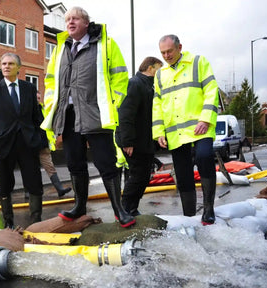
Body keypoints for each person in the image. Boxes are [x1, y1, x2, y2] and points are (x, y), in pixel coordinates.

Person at [41, 6, 135, 228]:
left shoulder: (105, 44)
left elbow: (120, 77)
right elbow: (50, 82)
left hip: (97, 112)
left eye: (74, 19)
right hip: (69, 114)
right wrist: (51, 111)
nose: (70, 23)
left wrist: (113, 103)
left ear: (86, 22)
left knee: (106, 163)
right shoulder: (60, 49)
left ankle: (119, 210)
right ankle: (79, 207)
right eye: (67, 20)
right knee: (74, 163)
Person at [152, 34, 219, 225]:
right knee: (182, 174)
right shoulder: (160, 74)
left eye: (169, 51)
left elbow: (211, 91)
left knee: (204, 157)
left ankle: (208, 209)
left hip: (200, 127)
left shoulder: (198, 63)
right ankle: (189, 216)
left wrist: (205, 119)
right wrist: (158, 133)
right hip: (175, 132)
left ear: (179, 47)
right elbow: (157, 104)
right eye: (162, 53)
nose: (166, 56)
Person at [0, 52, 44, 229]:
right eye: (3, 64)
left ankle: (36, 222)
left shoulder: (29, 88)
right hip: (3, 145)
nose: (6, 66)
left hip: (28, 143)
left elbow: (36, 116)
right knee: (5, 184)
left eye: (10, 63)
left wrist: (40, 139)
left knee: (34, 182)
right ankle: (8, 223)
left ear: (18, 67)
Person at [116, 56, 163, 216]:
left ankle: (132, 208)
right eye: (159, 69)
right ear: (150, 68)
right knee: (137, 176)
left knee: (143, 177)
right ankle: (124, 209)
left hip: (144, 142)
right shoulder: (135, 84)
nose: (161, 73)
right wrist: (127, 141)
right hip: (134, 142)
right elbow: (125, 114)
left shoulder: (148, 86)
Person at [36, 91, 71, 198]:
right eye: (36, 97)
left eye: (39, 97)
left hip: (43, 145)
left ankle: (59, 189)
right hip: (31, 145)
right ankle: (30, 192)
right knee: (32, 169)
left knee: (50, 167)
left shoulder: (42, 109)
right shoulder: (28, 109)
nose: (38, 99)